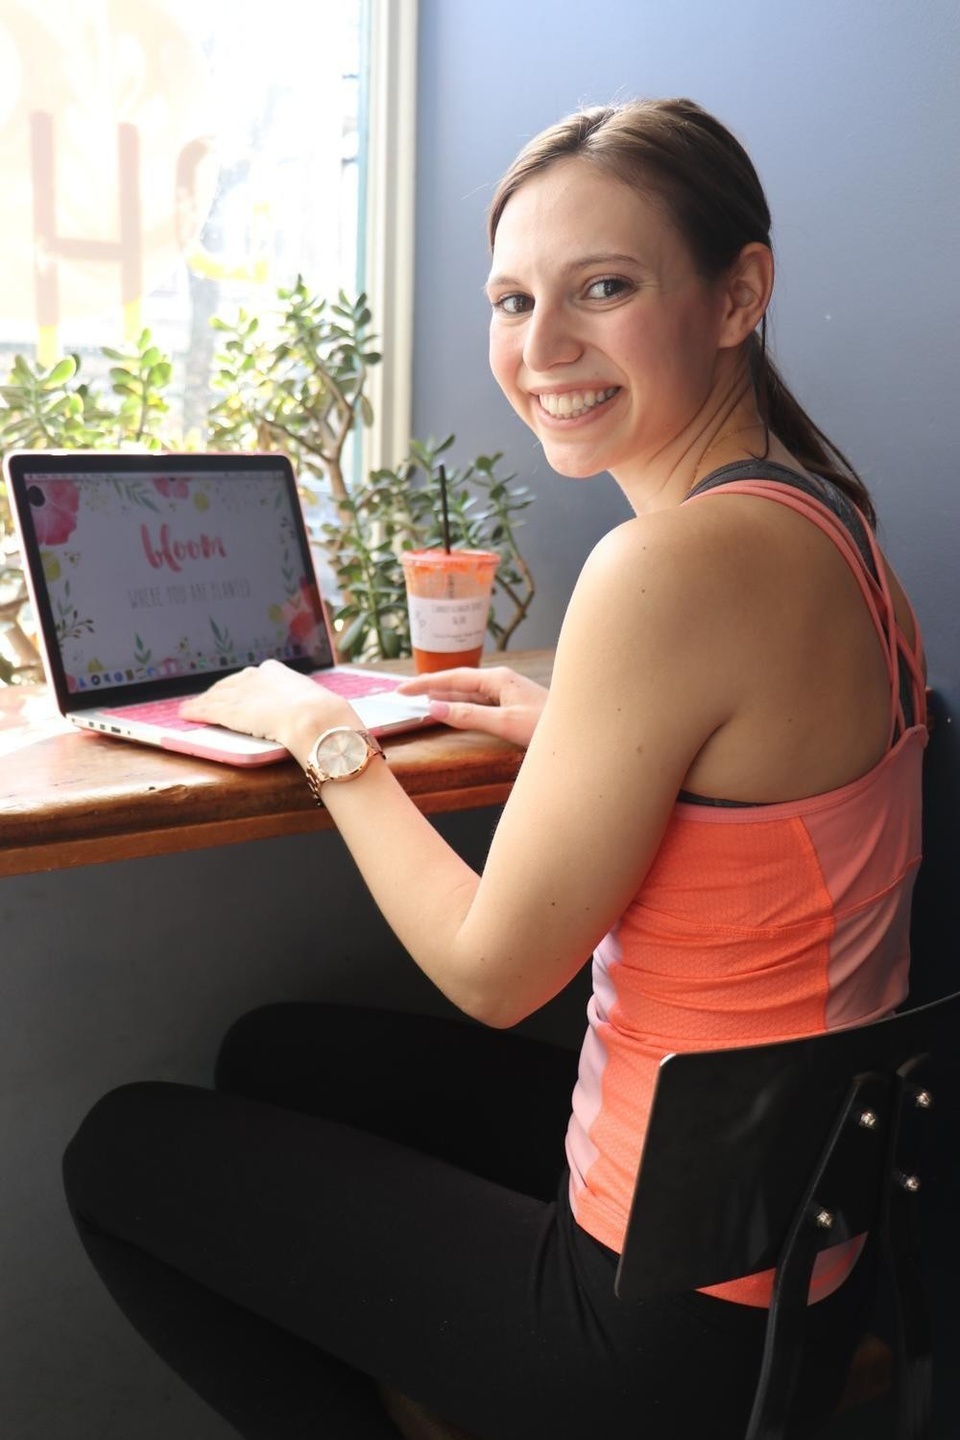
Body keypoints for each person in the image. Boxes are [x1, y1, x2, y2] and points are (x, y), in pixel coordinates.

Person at [62, 97, 927, 1440]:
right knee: (277, 1053)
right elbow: (769, 784)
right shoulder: (828, 515)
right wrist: (567, 726)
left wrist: (322, 732)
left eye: (604, 287)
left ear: (738, 292)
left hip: (665, 1326)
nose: (542, 348)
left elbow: (491, 973)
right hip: (800, 1240)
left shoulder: (669, 564)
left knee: (120, 1150)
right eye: (513, 300)